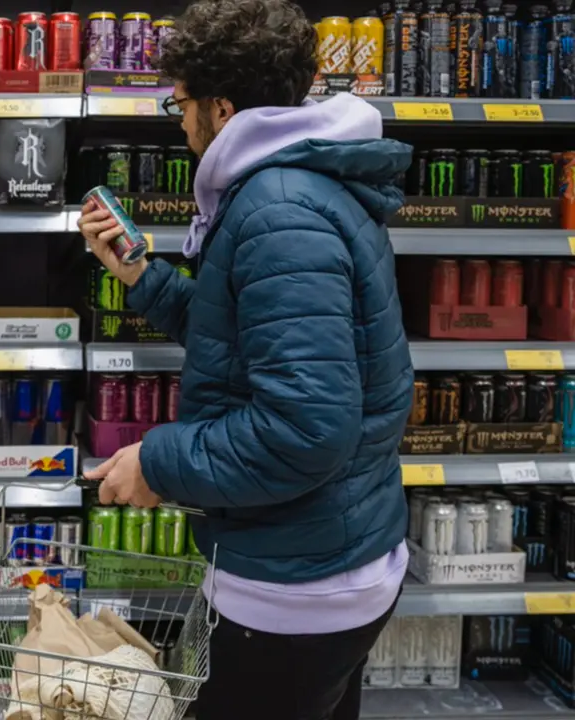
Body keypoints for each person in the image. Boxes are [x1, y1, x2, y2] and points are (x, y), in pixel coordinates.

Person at [78, 0, 413, 718]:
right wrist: (145, 279)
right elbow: (253, 338)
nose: (180, 121)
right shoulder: (293, 187)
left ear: (222, 107)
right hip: (324, 557)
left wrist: (157, 461)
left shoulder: (278, 211)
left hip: (298, 588)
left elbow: (304, 429)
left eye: (183, 103)